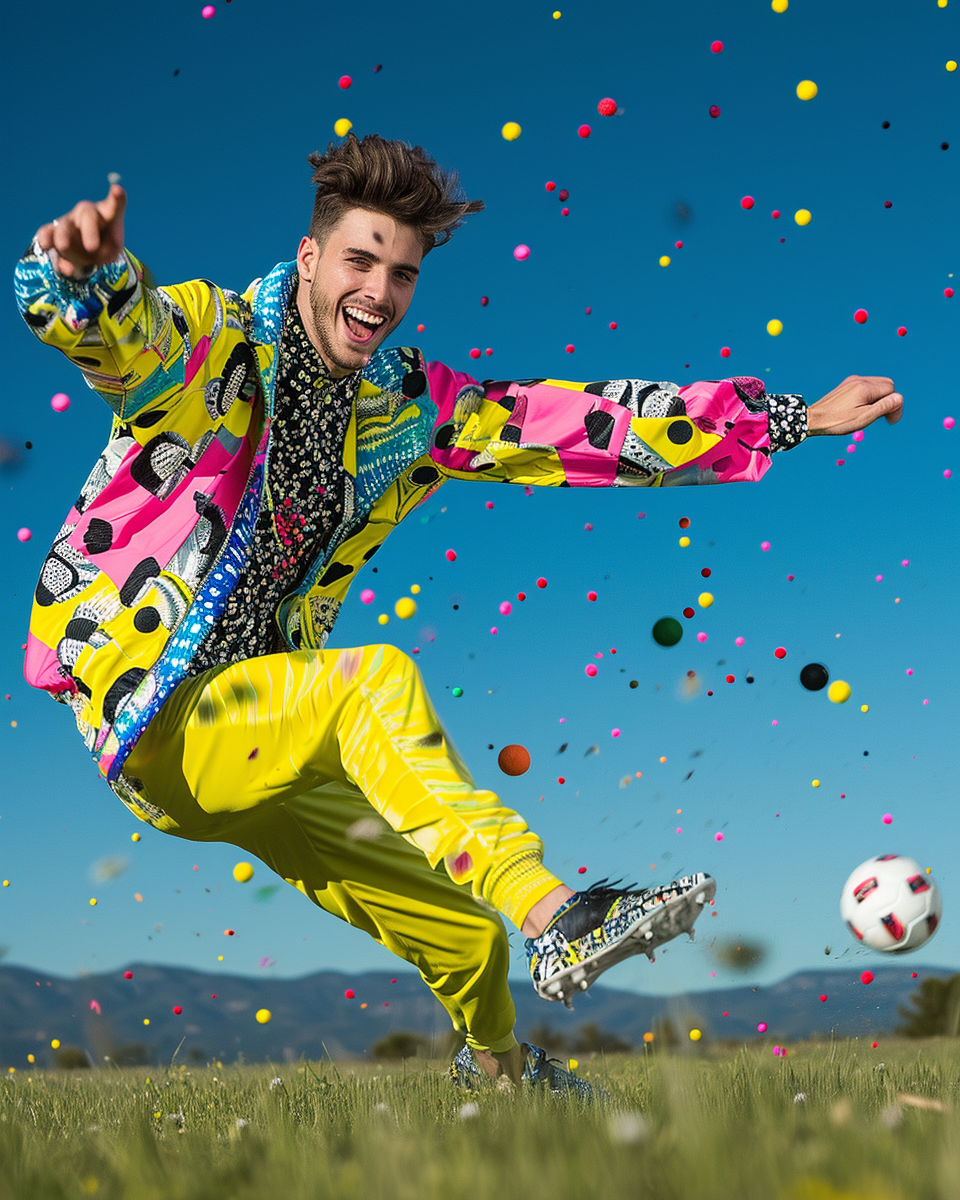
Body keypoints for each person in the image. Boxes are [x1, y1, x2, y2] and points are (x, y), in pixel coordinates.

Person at [15, 134, 903, 1093]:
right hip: (161, 714)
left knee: (461, 925)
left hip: (275, 729)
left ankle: (499, 1076)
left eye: (401, 274)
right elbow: (126, 336)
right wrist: (90, 278)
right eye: (360, 260)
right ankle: (559, 916)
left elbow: (576, 423)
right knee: (376, 683)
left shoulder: (409, 409)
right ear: (312, 257)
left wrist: (789, 419)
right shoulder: (214, 341)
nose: (379, 292)